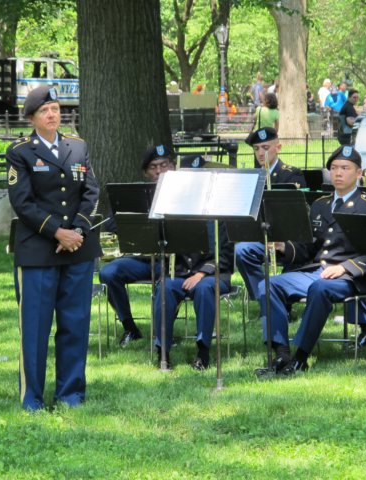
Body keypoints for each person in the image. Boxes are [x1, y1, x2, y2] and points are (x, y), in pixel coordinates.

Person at [6, 86, 102, 411]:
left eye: (57, 109)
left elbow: (91, 192)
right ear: (32, 118)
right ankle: (32, 399)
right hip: (38, 252)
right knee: (34, 330)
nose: (53, 115)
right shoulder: (20, 152)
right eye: (45, 111)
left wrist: (76, 231)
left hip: (78, 250)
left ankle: (70, 396)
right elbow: (22, 203)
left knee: (75, 325)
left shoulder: (78, 147)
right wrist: (57, 232)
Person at [255, 146, 366, 376]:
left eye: (345, 168)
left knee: (320, 288)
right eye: (334, 168)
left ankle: (300, 357)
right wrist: (285, 247)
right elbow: (308, 248)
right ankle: (281, 353)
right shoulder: (320, 205)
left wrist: (343, 267)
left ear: (359, 173)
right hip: (316, 271)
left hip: (350, 276)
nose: (338, 173)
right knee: (267, 284)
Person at [98, 145, 175, 347]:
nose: (159, 171)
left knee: (169, 282)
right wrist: (140, 217)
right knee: (108, 273)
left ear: (173, 167)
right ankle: (130, 328)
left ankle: (165, 332)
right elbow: (111, 223)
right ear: (145, 172)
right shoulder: (137, 194)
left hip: (176, 263)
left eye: (164, 165)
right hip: (142, 259)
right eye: (153, 167)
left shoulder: (184, 192)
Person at [235, 127, 307, 302]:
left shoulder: (291, 175)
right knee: (241, 250)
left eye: (265, 148)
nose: (260, 153)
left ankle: (280, 299)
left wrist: (283, 242)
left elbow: (298, 216)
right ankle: (263, 298)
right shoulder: (252, 176)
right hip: (260, 237)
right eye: (256, 148)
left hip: (287, 239)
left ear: (278, 147)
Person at [154, 220, 234, 370]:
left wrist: (200, 274)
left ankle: (203, 352)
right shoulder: (178, 217)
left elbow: (225, 257)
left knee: (204, 289)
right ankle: (163, 353)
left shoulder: (220, 220)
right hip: (182, 274)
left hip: (213, 275)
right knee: (164, 287)